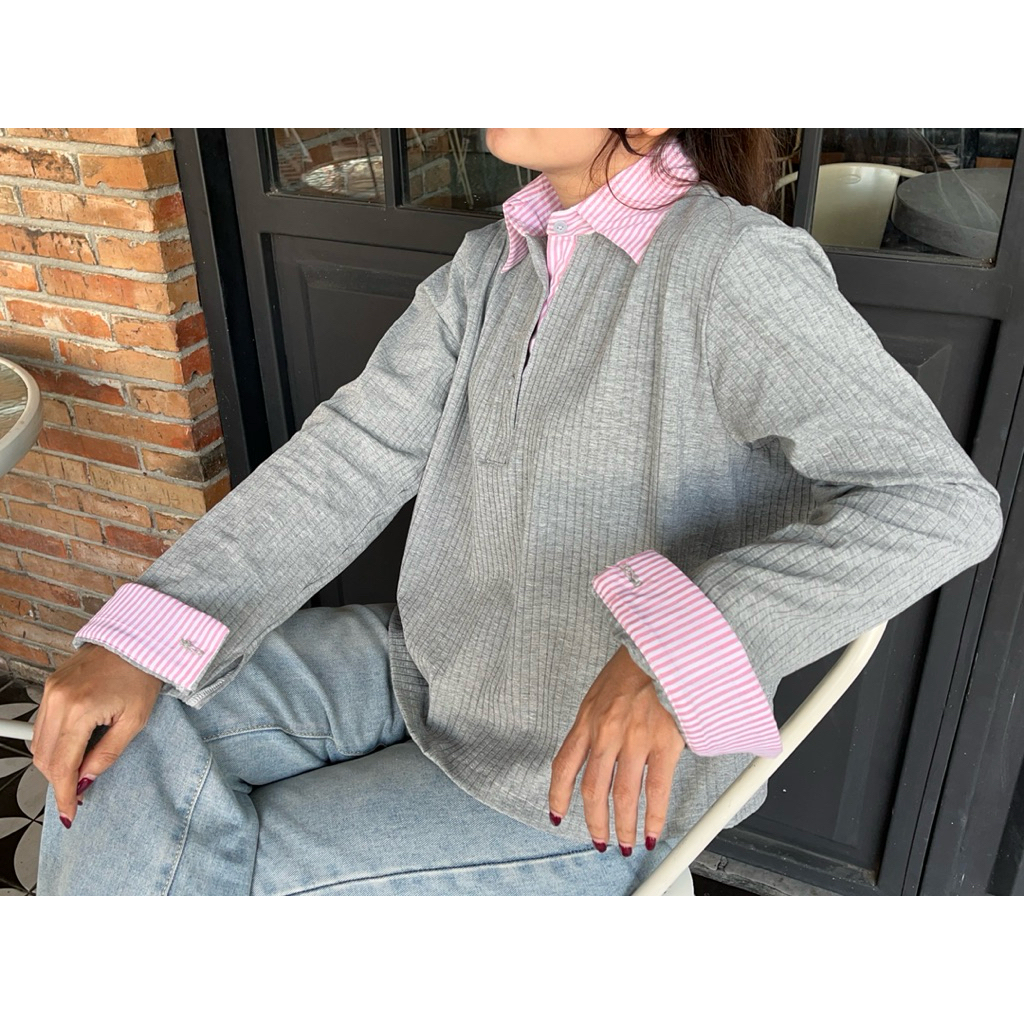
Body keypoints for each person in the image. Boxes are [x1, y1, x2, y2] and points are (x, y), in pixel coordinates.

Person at [32, 129, 1003, 896]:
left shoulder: (731, 267)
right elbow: (351, 454)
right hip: (436, 666)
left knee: (205, 884)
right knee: (111, 740)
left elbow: (939, 502)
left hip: (595, 780)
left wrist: (673, 654)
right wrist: (142, 637)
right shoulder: (491, 262)